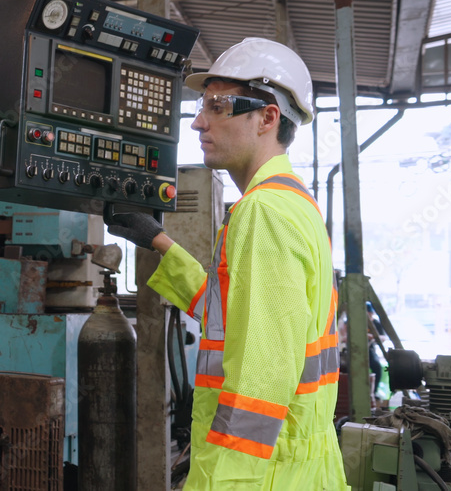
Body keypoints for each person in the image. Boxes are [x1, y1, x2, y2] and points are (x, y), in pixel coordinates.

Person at [108, 38, 348, 489]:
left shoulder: (265, 213)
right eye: (202, 106)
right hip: (294, 466)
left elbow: (261, 381)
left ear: (267, 118)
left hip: (258, 475)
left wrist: (224, 483)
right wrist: (158, 241)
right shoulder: (291, 204)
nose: (199, 122)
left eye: (218, 106)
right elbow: (237, 319)